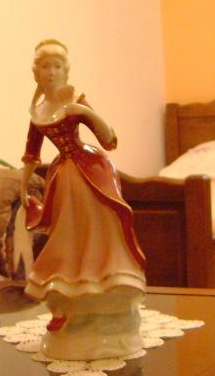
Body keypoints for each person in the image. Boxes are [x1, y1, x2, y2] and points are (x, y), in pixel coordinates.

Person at [20, 39, 146, 359]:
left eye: (56, 66)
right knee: (68, 236)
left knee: (101, 228)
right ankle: (69, 299)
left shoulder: (76, 100)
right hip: (64, 177)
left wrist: (82, 111)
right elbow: (31, 155)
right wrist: (23, 187)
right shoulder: (38, 112)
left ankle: (110, 285)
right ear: (36, 72)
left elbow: (109, 138)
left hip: (92, 171)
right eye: (45, 66)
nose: (51, 71)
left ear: (65, 70)